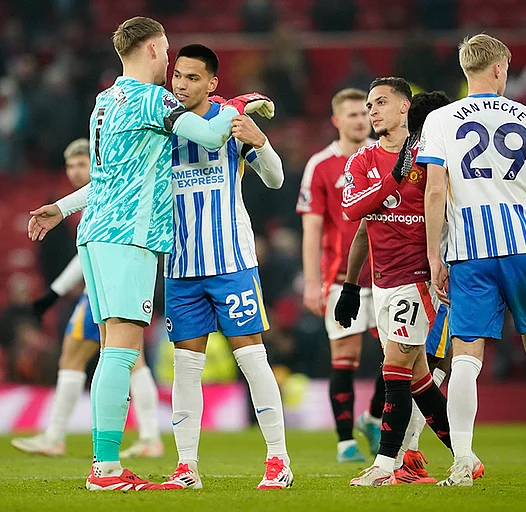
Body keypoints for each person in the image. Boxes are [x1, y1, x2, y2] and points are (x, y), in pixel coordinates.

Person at [27, 16, 273, 491]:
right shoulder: (152, 98)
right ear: (156, 49)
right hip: (129, 238)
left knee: (109, 349)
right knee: (121, 350)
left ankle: (105, 466)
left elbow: (104, 178)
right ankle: (106, 470)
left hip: (95, 234)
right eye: (167, 52)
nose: (170, 62)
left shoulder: (104, 102)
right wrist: (241, 104)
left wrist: (60, 207)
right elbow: (210, 134)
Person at [419, 34, 526, 486]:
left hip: (469, 251)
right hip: (523, 248)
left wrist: (435, 254)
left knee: (466, 360)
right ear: (498, 69)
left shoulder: (440, 119)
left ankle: (460, 463)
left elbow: (435, 190)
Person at [158, 44, 292, 491]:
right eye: (178, 75)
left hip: (230, 260)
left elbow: (275, 180)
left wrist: (262, 142)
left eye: (193, 78)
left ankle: (278, 459)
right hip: (179, 264)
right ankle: (186, 467)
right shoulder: (161, 124)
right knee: (186, 367)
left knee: (252, 358)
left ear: (212, 83)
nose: (181, 84)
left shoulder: (232, 123)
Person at [339, 78, 468, 486]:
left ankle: (385, 466)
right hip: (383, 283)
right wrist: (349, 285)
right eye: (368, 103)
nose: (372, 111)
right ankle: (466, 456)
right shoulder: (362, 159)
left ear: (404, 108)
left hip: (420, 280)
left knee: (394, 368)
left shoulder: (433, 159)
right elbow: (355, 215)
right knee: (417, 379)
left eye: (380, 103)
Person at [11, 139, 163, 458]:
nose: (77, 172)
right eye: (71, 166)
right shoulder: (104, 193)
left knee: (76, 356)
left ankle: (57, 436)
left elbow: (93, 247)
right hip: (109, 279)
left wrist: (53, 292)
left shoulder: (104, 191)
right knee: (132, 358)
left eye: (82, 164)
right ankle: (149, 436)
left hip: (106, 282)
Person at [296, 88, 384, 463]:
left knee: (400, 356)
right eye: (351, 115)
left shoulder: (387, 158)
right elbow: (312, 228)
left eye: (364, 113)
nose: (360, 120)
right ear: (336, 120)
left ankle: (374, 417)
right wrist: (312, 282)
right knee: (344, 358)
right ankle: (345, 441)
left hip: (387, 275)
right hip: (339, 278)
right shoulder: (321, 165)